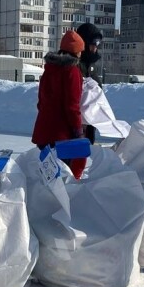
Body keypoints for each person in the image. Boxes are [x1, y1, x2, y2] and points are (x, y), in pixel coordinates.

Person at [32, 30, 87, 179]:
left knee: (47, 178)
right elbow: (72, 105)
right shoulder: (72, 71)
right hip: (62, 136)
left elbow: (41, 102)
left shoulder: (49, 70)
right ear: (76, 52)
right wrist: (78, 130)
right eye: (81, 51)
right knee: (63, 178)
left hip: (43, 132)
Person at [74, 22, 104, 143]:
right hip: (77, 126)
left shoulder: (91, 65)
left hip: (89, 124)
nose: (95, 48)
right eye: (93, 44)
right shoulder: (74, 65)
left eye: (97, 44)